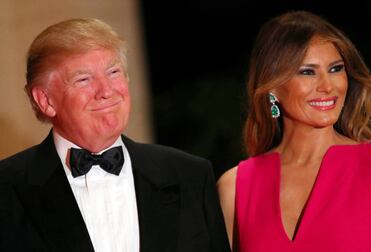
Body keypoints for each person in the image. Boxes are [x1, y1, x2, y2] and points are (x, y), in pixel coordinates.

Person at [0, 18, 230, 252]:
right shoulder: (6, 189)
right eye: (83, 79)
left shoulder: (190, 176)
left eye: (113, 72)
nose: (107, 91)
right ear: (46, 100)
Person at [217, 10, 371, 251]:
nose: (327, 85)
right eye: (307, 72)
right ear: (273, 88)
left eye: (335, 69)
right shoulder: (234, 187)